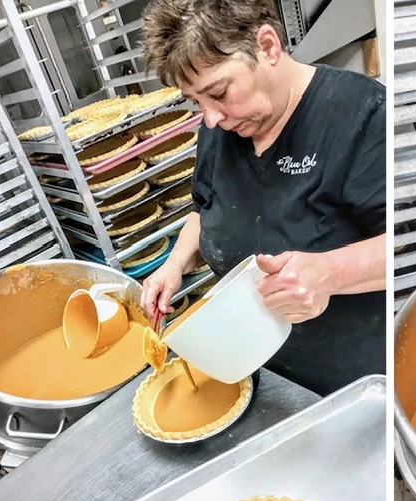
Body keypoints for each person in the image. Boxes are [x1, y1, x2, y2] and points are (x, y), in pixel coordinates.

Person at [140, 0, 385, 396]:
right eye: (196, 102)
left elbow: (415, 243)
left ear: (268, 46)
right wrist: (174, 266)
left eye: (219, 92)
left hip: (347, 387)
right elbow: (205, 208)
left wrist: (330, 273)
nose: (210, 118)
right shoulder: (223, 125)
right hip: (256, 376)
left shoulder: (363, 116)